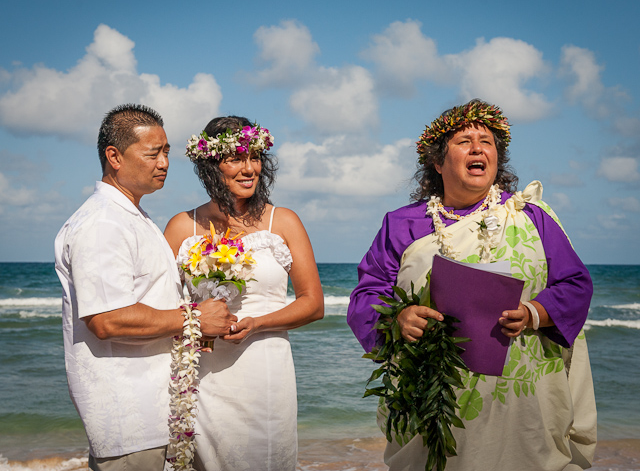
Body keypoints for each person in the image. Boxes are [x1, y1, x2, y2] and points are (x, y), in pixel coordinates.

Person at [348, 99, 597, 471]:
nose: (479, 148)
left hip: (521, 398)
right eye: (464, 141)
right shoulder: (403, 224)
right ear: (437, 161)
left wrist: (533, 312)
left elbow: (575, 284)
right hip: (434, 395)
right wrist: (400, 318)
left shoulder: (531, 217)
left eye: (488, 142)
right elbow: (367, 296)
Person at [55, 104, 237, 471]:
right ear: (114, 157)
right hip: (129, 421)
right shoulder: (103, 223)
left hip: (155, 414)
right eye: (153, 153)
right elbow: (108, 320)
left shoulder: (133, 217)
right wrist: (196, 318)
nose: (164, 162)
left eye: (167, 151)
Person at [164, 115, 324, 471]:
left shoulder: (282, 222)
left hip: (265, 373)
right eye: (236, 157)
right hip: (204, 375)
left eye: (255, 157)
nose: (249, 168)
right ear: (211, 164)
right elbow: (162, 306)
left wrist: (257, 324)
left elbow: (313, 304)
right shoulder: (181, 226)